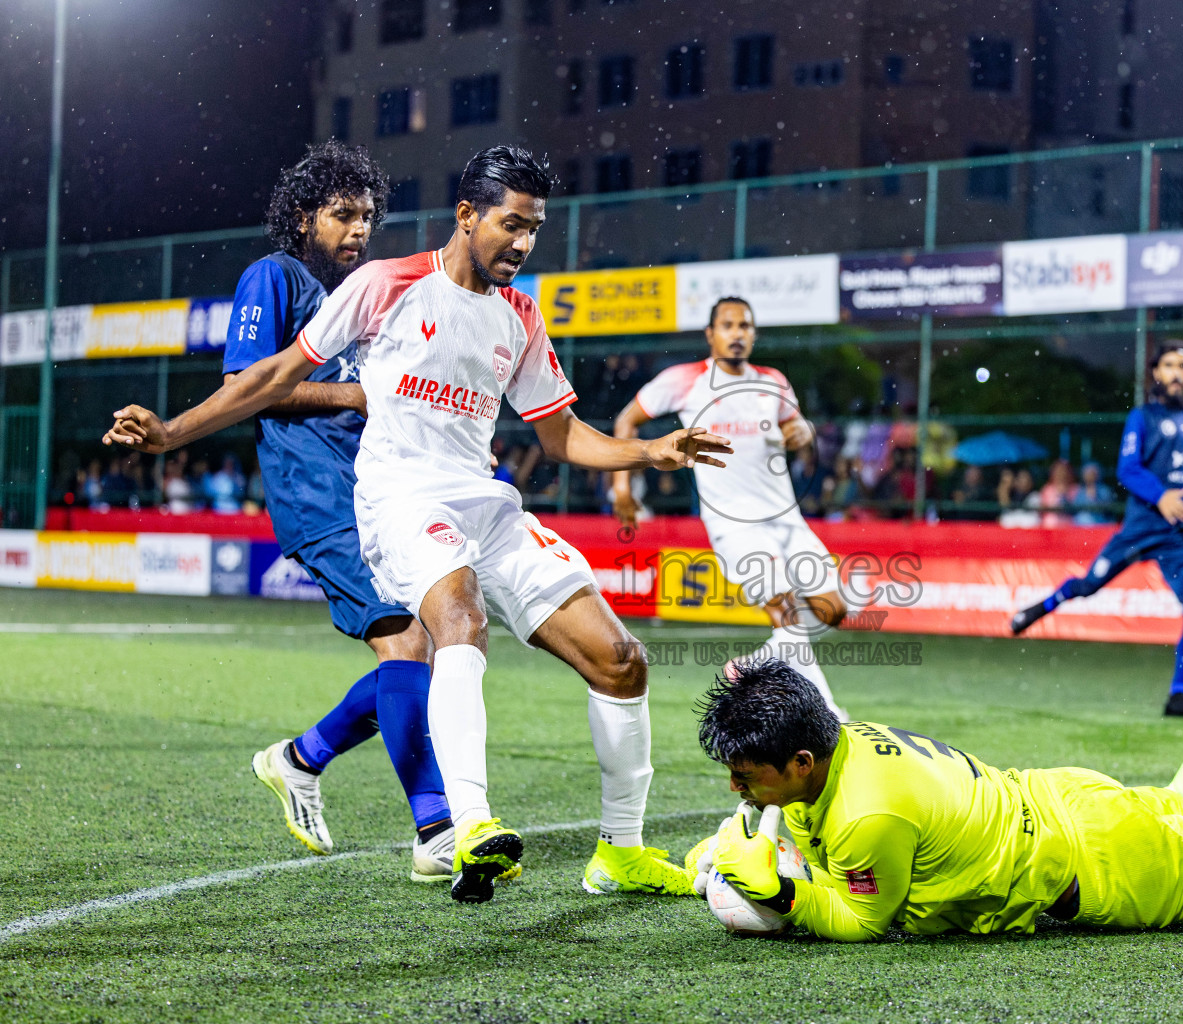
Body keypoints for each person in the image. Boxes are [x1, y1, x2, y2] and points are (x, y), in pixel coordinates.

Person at [104, 145, 731, 904]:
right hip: (400, 497)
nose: (524, 244)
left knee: (622, 659)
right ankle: (464, 824)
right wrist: (171, 432)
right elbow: (270, 377)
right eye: (511, 225)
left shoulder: (521, 315)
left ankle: (621, 853)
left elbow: (563, 436)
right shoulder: (385, 284)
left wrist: (650, 449)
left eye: (534, 229)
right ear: (466, 215)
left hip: (484, 502)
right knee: (455, 622)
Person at [693, 597, 1183, 943]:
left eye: (748, 774)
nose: (739, 787)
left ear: (801, 760)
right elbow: (789, 812)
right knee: (1182, 799)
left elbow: (866, 923)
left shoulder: (869, 816)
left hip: (1097, 868)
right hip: (1063, 798)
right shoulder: (838, 736)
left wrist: (790, 895)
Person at [111, 142, 459, 883]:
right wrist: (352, 395)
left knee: (427, 647)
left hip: (377, 493)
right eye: (342, 215)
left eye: (367, 216)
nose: (358, 230)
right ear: (303, 217)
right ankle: (436, 828)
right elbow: (249, 384)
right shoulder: (275, 277)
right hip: (315, 494)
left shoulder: (365, 296)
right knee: (404, 643)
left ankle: (301, 759)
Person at [611, 296, 850, 721]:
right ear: (711, 334)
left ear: (754, 334)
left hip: (785, 518)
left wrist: (802, 430)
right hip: (733, 523)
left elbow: (797, 427)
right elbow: (627, 421)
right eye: (728, 325)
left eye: (745, 326)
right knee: (786, 612)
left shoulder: (773, 380)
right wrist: (623, 487)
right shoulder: (685, 380)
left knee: (834, 610)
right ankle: (831, 714)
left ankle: (755, 666)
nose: (737, 333)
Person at [1010, 340, 1183, 720]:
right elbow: (1127, 469)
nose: (1177, 372)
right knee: (1089, 585)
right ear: (1156, 373)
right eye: (1169, 364)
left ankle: (1179, 696)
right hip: (1142, 526)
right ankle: (1041, 607)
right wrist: (1160, 496)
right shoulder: (1142, 417)